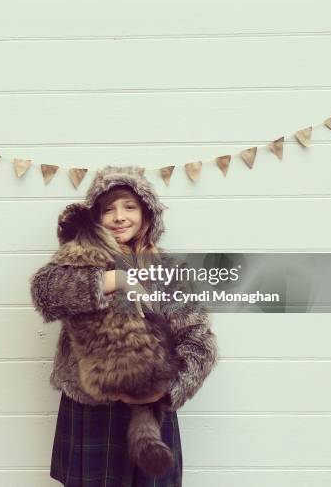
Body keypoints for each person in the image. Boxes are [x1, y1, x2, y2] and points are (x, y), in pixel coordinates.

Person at [30, 166, 218, 486]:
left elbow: (198, 340)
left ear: (146, 215)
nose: (119, 217)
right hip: (92, 407)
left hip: (152, 404)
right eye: (109, 209)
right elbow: (46, 293)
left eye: (129, 206)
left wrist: (165, 392)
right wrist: (111, 280)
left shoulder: (167, 269)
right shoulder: (79, 258)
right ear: (95, 218)